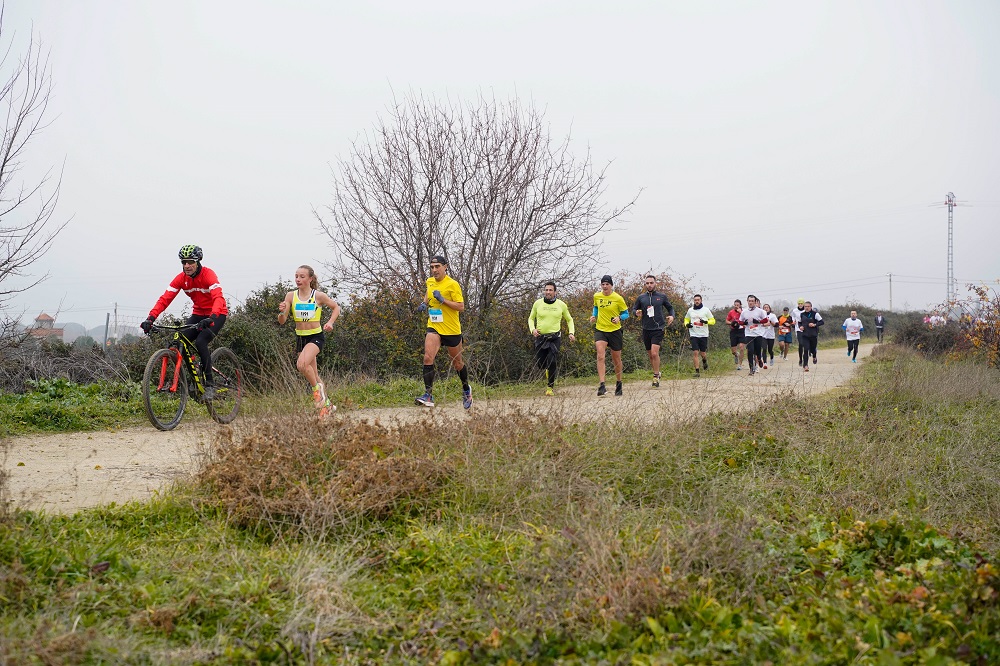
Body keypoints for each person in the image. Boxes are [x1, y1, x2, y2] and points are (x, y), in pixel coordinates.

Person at [141, 245, 228, 401]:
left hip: (216, 314)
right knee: (179, 341)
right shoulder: (181, 278)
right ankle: (194, 371)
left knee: (201, 342)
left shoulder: (209, 275)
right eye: (183, 262)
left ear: (198, 261)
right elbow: (165, 299)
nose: (186, 265)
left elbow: (218, 298)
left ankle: (210, 386)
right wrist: (150, 318)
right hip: (198, 314)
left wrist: (212, 316)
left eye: (190, 262)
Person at [277, 265, 341, 416]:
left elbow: (336, 307)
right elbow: (282, 320)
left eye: (302, 276)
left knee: (301, 364)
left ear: (310, 279)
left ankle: (317, 395)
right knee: (313, 374)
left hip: (316, 336)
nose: (298, 279)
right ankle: (327, 407)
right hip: (300, 337)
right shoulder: (290, 296)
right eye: (296, 276)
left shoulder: (318, 296)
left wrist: (330, 322)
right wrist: (281, 312)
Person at [415, 255, 472, 409]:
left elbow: (461, 307)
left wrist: (443, 300)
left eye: (437, 267)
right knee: (428, 357)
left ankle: (466, 389)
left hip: (451, 329)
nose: (434, 270)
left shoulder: (453, 285)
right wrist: (424, 303)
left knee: (457, 364)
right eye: (432, 267)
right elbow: (429, 291)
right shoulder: (430, 281)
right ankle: (428, 395)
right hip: (434, 326)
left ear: (445, 267)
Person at [528, 281, 576, 395]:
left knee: (552, 361)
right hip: (540, 338)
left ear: (555, 292)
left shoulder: (561, 305)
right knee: (541, 364)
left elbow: (569, 319)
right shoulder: (538, 303)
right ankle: (547, 370)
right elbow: (530, 318)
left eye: (550, 290)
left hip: (555, 338)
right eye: (546, 290)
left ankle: (550, 388)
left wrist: (571, 333)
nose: (548, 292)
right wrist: (533, 330)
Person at [632, 274, 675, 387]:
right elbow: (634, 309)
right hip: (646, 329)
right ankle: (658, 372)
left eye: (651, 283)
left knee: (655, 353)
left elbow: (670, 308)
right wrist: (636, 313)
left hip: (658, 328)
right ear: (645, 284)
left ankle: (655, 376)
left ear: (655, 283)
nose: (649, 285)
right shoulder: (641, 297)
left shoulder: (661, 296)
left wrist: (671, 316)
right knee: (651, 355)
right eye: (647, 283)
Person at [591, 274, 629, 396]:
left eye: (607, 284)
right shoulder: (597, 296)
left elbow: (626, 313)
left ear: (611, 285)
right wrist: (594, 316)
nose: (605, 286)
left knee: (616, 358)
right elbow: (596, 307)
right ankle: (602, 385)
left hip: (615, 331)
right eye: (603, 284)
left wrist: (619, 318)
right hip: (601, 329)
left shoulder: (618, 298)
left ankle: (619, 383)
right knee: (600, 355)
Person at [683, 294, 714, 376]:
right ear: (694, 301)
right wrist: (687, 324)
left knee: (702, 353)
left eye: (698, 300)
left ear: (701, 300)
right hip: (693, 334)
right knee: (695, 352)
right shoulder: (690, 310)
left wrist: (706, 322)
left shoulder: (706, 310)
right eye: (695, 300)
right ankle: (697, 372)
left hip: (703, 334)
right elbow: (686, 319)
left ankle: (704, 361)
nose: (696, 301)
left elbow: (713, 321)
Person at [739, 295, 767, 375]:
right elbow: (740, 321)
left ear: (755, 302)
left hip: (758, 334)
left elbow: (765, 320)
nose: (750, 302)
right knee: (750, 351)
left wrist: (757, 321)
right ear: (747, 301)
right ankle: (751, 368)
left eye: (752, 301)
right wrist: (745, 323)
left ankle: (759, 358)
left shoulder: (760, 311)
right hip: (749, 333)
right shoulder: (744, 312)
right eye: (749, 301)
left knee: (758, 351)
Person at [799, 301, 824, 371]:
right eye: (805, 306)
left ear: (811, 307)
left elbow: (822, 322)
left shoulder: (815, 314)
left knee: (813, 349)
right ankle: (805, 365)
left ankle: (814, 356)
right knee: (806, 349)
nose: (806, 308)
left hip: (813, 335)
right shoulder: (802, 314)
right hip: (805, 335)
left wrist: (814, 325)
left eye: (808, 306)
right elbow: (799, 322)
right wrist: (800, 327)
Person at [725, 299, 746, 370]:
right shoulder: (731, 312)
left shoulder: (744, 312)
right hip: (733, 331)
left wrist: (741, 312)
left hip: (741, 330)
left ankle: (740, 365)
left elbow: (747, 320)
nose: (736, 306)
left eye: (738, 305)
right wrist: (732, 323)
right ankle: (736, 355)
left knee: (741, 347)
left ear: (740, 305)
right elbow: (727, 321)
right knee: (733, 350)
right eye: (735, 305)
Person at [790, 298, 807, 366]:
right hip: (798, 328)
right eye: (799, 303)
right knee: (801, 343)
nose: (800, 305)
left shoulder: (806, 310)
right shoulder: (794, 310)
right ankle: (800, 359)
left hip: (806, 328)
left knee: (805, 344)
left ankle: (806, 356)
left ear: (803, 304)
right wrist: (793, 322)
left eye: (801, 303)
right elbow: (793, 317)